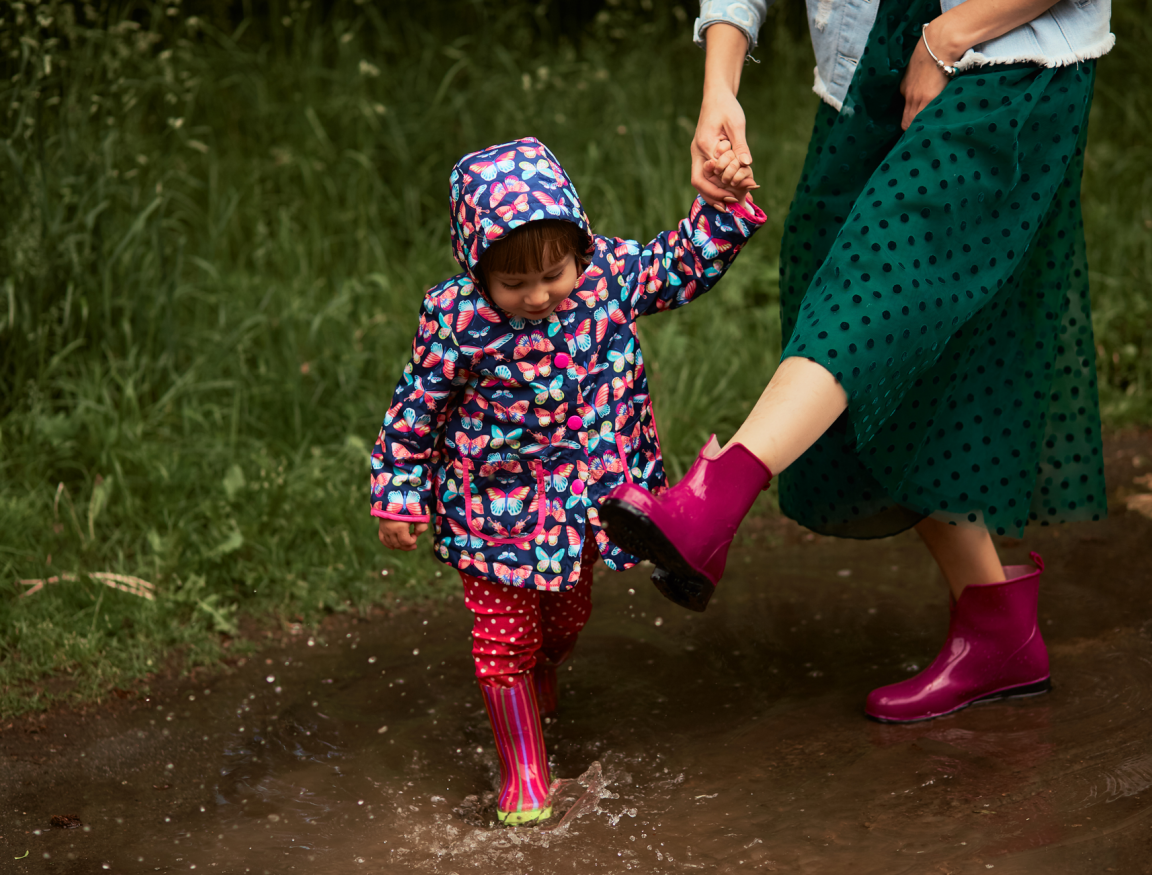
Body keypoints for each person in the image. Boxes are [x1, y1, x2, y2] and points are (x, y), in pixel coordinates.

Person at [601, 0, 1113, 723]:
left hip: (1000, 57)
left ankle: (714, 501)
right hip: (867, 60)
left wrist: (945, 38)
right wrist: (720, 86)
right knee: (846, 303)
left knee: (879, 289)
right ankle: (998, 629)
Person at [370, 137, 765, 824]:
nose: (537, 296)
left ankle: (542, 666)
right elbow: (415, 410)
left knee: (565, 617)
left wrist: (720, 206)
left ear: (578, 249)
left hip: (581, 506)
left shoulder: (608, 274)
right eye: (513, 284)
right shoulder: (456, 322)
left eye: (552, 274)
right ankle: (524, 769)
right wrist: (398, 491)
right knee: (502, 638)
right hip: (490, 509)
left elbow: (678, 263)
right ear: (476, 269)